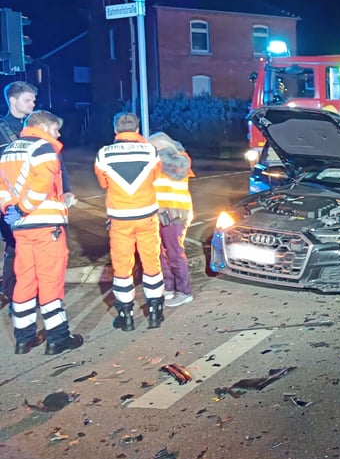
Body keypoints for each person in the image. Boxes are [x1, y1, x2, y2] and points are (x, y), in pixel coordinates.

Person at [0, 111, 83, 355]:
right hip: (46, 225)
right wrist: (24, 207)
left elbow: (2, 186)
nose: (58, 134)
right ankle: (58, 337)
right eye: (56, 129)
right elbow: (42, 184)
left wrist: (10, 209)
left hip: (21, 227)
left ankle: (24, 337)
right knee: (50, 279)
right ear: (44, 127)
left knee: (25, 278)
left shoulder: (9, 150)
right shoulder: (43, 147)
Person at [0, 82, 76, 309]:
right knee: (15, 247)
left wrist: (66, 188)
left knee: (28, 252)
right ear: (12, 101)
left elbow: (57, 162)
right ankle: (12, 294)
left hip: (38, 203)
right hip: (13, 201)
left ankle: (23, 299)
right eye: (27, 100)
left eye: (33, 100)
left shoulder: (38, 126)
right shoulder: (3, 129)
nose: (32, 104)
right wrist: (9, 205)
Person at [95, 112, 164, 332]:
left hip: (120, 219)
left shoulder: (103, 154)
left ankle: (126, 317)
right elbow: (155, 177)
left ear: (115, 129)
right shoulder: (151, 151)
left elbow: (103, 183)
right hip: (146, 216)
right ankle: (155, 312)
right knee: (151, 263)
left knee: (122, 267)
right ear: (137, 129)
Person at [149, 132, 195, 308]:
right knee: (159, 253)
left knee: (175, 253)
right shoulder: (156, 161)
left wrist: (155, 155)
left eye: (153, 147)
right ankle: (168, 287)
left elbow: (174, 171)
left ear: (162, 145)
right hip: (158, 212)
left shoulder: (181, 158)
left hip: (176, 212)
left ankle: (184, 291)